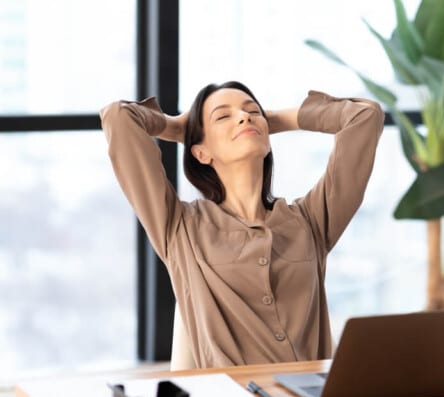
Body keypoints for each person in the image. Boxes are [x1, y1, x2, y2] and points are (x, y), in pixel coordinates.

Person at [100, 81, 384, 368]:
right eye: (223, 116)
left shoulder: (311, 220)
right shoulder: (179, 227)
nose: (244, 117)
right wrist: (174, 127)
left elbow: (364, 116)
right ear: (201, 152)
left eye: (252, 111)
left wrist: (277, 119)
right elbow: (118, 117)